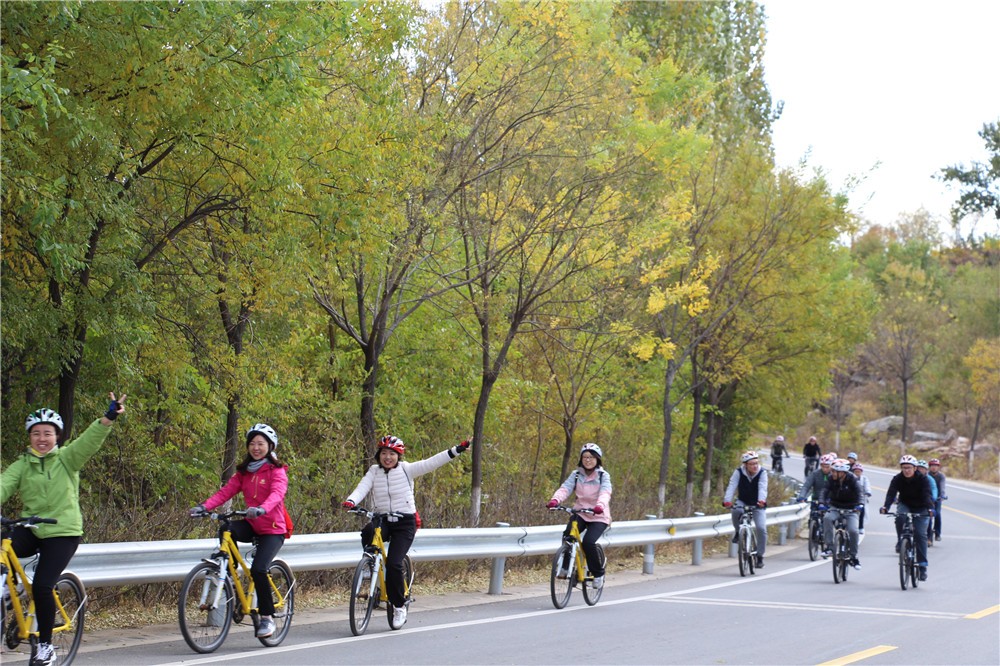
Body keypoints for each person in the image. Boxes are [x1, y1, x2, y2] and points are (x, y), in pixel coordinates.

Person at [1, 393, 126, 666]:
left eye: (48, 433)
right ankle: (9, 591)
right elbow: (3, 484)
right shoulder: (23, 464)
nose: (42, 438)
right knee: (2, 545)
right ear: (30, 437)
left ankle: (45, 647)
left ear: (56, 437)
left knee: (43, 586)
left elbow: (88, 443)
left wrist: (109, 418)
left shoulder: (67, 459)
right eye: (36, 433)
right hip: (32, 527)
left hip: (63, 532)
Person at [342, 435, 469, 628]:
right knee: (368, 532)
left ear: (398, 456)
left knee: (393, 564)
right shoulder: (374, 471)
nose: (387, 457)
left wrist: (456, 450)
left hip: (405, 523)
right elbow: (362, 488)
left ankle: (399, 606)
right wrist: (351, 501)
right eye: (384, 453)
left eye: (392, 454)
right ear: (379, 455)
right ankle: (370, 567)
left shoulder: (406, 469)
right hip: (383, 518)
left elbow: (431, 462)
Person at [190, 423, 289, 639]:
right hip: (252, 524)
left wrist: (262, 508)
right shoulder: (244, 473)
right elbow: (225, 492)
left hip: (272, 529)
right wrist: (204, 507)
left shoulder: (276, 470)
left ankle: (267, 618)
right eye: (252, 443)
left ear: (270, 446)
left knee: (259, 569)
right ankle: (228, 572)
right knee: (227, 528)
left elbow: (277, 494)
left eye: (261, 444)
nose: (256, 447)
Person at [546, 443, 613, 590]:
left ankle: (598, 574)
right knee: (568, 537)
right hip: (581, 512)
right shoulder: (576, 474)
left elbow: (605, 492)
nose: (588, 460)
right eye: (585, 457)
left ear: (597, 459)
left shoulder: (603, 476)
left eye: (591, 457)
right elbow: (565, 488)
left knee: (588, 542)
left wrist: (600, 506)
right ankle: (565, 569)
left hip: (598, 515)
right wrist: (555, 500)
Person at [880, 454, 934, 581]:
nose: (906, 470)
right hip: (905, 504)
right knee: (900, 517)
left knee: (920, 534)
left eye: (909, 467)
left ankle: (922, 566)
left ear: (915, 468)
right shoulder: (897, 478)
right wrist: (886, 507)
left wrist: (930, 508)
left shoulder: (923, 479)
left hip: (921, 506)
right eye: (904, 468)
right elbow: (891, 494)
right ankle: (901, 540)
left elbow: (927, 495)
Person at [723, 450, 768, 568]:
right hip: (743, 500)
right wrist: (727, 500)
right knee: (736, 510)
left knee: (761, 528)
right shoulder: (738, 472)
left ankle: (759, 556)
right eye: (752, 464)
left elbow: (762, 487)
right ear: (745, 465)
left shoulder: (762, 472)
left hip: (758, 503)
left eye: (756, 463)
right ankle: (738, 532)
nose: (755, 466)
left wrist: (761, 501)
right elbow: (732, 486)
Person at [819, 458, 863, 569]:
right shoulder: (830, 479)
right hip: (835, 506)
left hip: (851, 508)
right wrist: (821, 502)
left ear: (842, 473)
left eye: (834, 471)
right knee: (827, 518)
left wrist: (860, 504)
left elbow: (860, 493)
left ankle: (853, 557)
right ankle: (829, 547)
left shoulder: (852, 479)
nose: (832, 473)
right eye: (832, 471)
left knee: (853, 530)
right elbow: (824, 491)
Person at [915, 459, 938, 545]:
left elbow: (934, 489)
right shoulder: (911, 477)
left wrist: (933, 498)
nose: (920, 470)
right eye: (919, 468)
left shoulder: (930, 479)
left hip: (926, 502)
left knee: (928, 519)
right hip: (914, 502)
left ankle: (929, 538)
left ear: (926, 470)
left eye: (922, 468)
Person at [927, 459, 947, 541]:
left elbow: (942, 486)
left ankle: (938, 534)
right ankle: (928, 536)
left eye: (935, 466)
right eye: (932, 466)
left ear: (938, 467)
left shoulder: (941, 476)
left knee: (937, 514)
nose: (934, 467)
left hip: (938, 498)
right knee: (928, 516)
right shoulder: (926, 475)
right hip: (928, 498)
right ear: (929, 467)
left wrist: (942, 495)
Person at [851, 464, 872, 534]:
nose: (857, 473)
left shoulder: (864, 479)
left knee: (862, 510)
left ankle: (860, 527)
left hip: (861, 499)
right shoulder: (850, 478)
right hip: (851, 498)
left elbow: (867, 486)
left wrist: (868, 492)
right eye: (856, 471)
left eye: (859, 472)